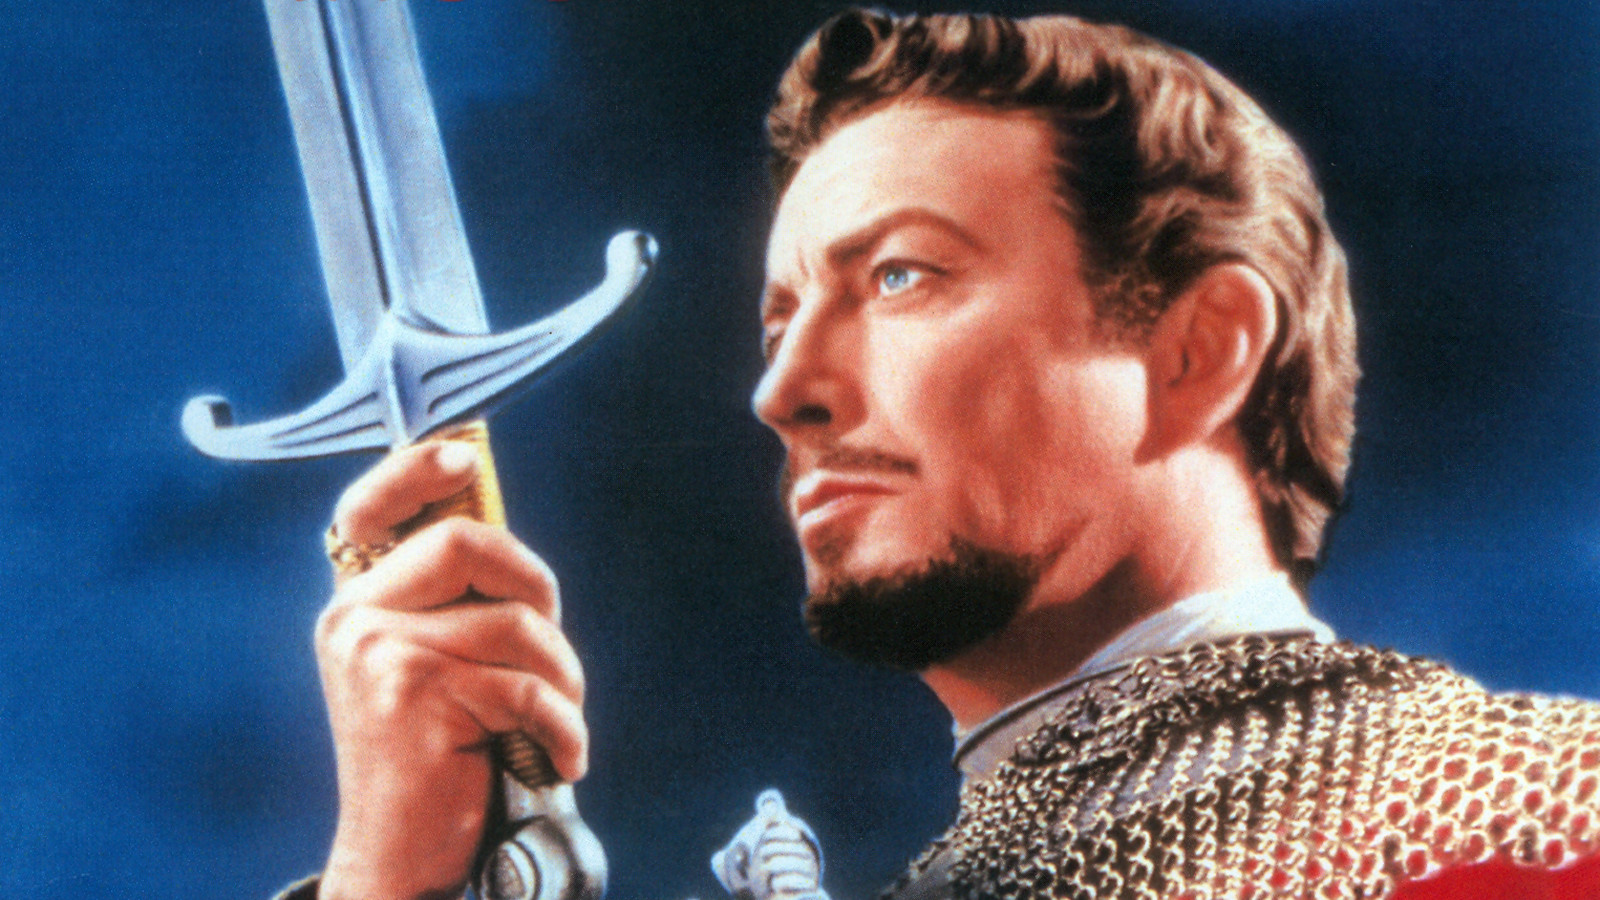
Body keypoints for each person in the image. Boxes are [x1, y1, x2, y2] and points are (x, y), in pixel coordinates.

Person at [295, 9, 1600, 900]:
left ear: (1198, 352)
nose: (781, 392)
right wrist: (390, 879)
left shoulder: (1539, 813)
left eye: (902, 277)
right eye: (780, 320)